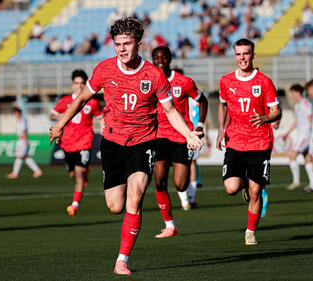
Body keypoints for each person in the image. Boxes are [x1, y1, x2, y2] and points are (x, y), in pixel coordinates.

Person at [49, 17, 203, 275]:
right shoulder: (103, 70)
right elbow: (80, 99)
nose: (121, 49)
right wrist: (61, 124)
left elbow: (170, 110)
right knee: (115, 206)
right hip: (112, 144)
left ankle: (122, 260)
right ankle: (131, 211)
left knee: (135, 197)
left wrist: (188, 133)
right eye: (117, 44)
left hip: (144, 143)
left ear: (139, 44)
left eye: (127, 43)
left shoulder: (154, 75)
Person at [216, 38, 281, 245]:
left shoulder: (264, 81)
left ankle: (250, 231)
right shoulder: (226, 81)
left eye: (246, 53)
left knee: (256, 191)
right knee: (231, 188)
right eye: (238, 54)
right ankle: (244, 183)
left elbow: (276, 111)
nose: (242, 58)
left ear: (253, 55)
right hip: (235, 140)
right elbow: (222, 105)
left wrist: (265, 118)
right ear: (234, 55)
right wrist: (220, 130)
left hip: (260, 142)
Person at [152, 46, 208, 238]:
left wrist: (199, 125)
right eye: (156, 58)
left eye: (163, 57)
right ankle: (170, 225)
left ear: (169, 59)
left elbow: (203, 100)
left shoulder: (183, 82)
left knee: (180, 184)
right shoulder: (148, 81)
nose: (160, 60)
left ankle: (184, 198)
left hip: (180, 137)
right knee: (159, 180)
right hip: (158, 137)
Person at [50, 69, 103, 216]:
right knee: (72, 174)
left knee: (79, 174)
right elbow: (52, 115)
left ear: (86, 84)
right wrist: (60, 116)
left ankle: (74, 204)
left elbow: (101, 117)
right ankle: (84, 172)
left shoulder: (92, 102)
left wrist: (105, 127)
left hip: (85, 142)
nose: (79, 86)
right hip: (68, 143)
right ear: (73, 84)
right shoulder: (66, 101)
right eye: (76, 83)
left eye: (82, 83)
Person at [283, 84, 313, 190]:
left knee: (292, 155)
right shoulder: (297, 105)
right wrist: (287, 133)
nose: (291, 95)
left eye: (292, 92)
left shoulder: (306, 104)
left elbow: (311, 119)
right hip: (301, 134)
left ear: (297, 92)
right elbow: (297, 121)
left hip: (306, 135)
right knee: (307, 158)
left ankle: (296, 182)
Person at [7, 107, 42, 179]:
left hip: (22, 141)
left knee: (18, 156)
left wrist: (25, 140)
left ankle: (15, 173)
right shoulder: (20, 120)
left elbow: (24, 131)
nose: (14, 114)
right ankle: (37, 171)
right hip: (21, 140)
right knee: (26, 157)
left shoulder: (22, 120)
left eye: (15, 113)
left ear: (18, 113)